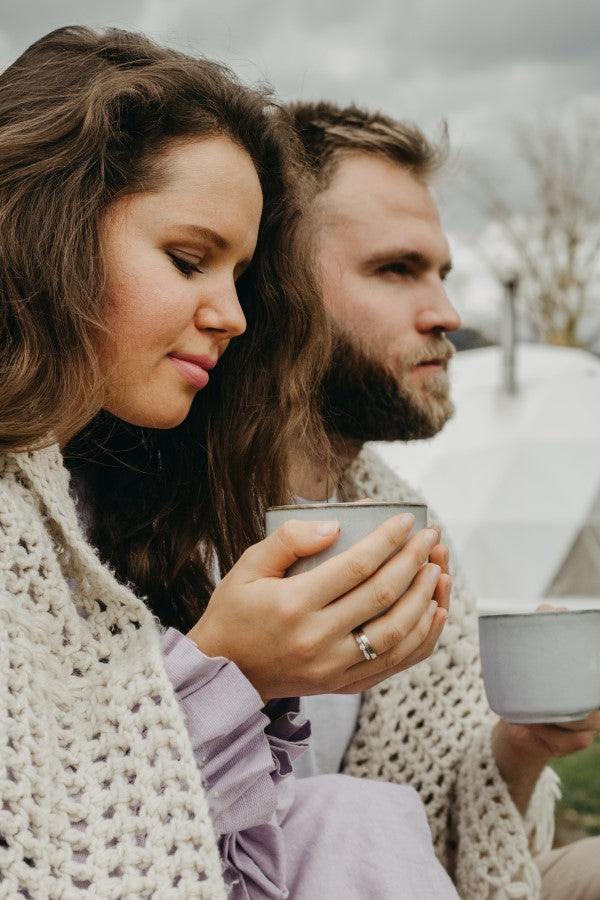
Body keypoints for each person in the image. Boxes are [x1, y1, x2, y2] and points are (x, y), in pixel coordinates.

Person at [0, 27, 461, 899]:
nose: (233, 316)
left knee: (350, 815)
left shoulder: (126, 504)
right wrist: (230, 671)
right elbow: (46, 846)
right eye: (187, 260)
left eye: (243, 276)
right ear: (45, 230)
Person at [285, 100, 600, 900]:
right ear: (276, 283)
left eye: (443, 273)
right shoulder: (146, 520)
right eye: (397, 269)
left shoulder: (408, 527)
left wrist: (521, 746)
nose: (448, 316)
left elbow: (439, 829)